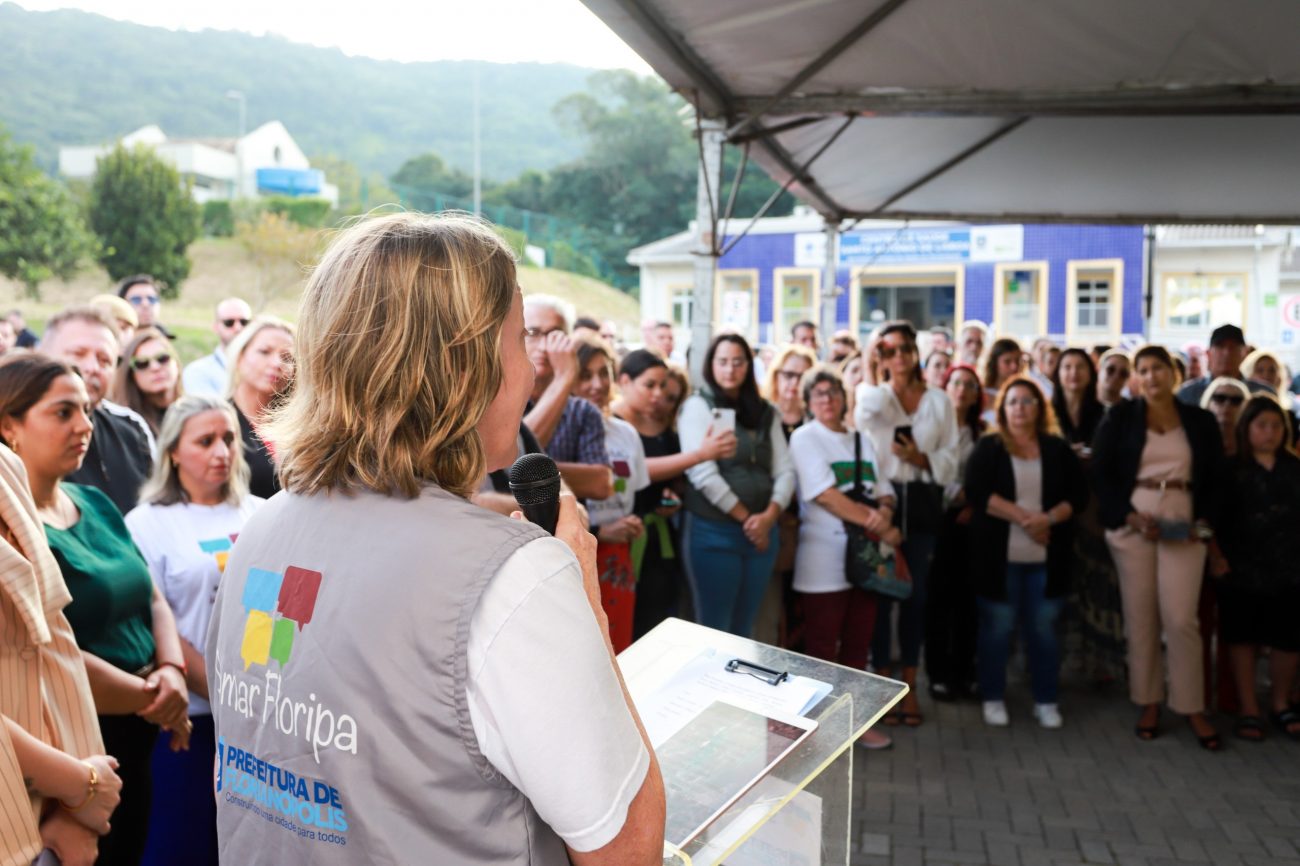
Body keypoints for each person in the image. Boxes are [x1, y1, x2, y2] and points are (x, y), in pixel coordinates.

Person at [206, 212, 665, 864]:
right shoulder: (510, 576)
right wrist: (585, 603)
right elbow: (628, 849)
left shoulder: (262, 530)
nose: (532, 374)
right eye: (518, 341)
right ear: (463, 366)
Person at [0, 353, 191, 864]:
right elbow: (45, 650)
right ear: (9, 426)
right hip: (63, 748)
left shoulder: (95, 502)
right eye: (63, 412)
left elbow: (150, 594)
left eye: (86, 410)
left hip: (138, 732)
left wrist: (172, 670)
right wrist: (155, 698)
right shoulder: (14, 531)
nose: (85, 426)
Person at [124, 396, 263, 865]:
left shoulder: (263, 513)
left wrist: (258, 701)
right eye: (205, 441)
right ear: (173, 452)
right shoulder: (146, 524)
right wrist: (226, 694)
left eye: (229, 439)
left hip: (263, 721)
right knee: (182, 846)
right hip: (191, 720)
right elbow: (153, 619)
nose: (222, 451)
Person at [1092, 345, 1225, 750]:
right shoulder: (1120, 417)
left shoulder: (1199, 420)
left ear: (1173, 373)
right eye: (1144, 370)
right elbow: (1101, 475)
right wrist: (1129, 516)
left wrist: (1204, 526)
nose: (1151, 376)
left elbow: (1216, 480)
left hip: (1184, 524)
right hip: (1135, 523)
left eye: (1158, 368)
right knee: (1141, 618)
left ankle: (1191, 705)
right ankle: (1148, 701)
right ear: (1137, 377)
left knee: (1181, 619)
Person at [0, 443, 123, 866]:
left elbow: (53, 643)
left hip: (41, 817)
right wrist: (78, 783)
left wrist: (80, 810)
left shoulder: (6, 466)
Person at [966, 378, 1086, 728]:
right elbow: (977, 492)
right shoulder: (989, 447)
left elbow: (1078, 496)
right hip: (999, 560)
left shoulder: (1057, 448)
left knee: (1044, 630)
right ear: (1002, 409)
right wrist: (1026, 519)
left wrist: (1047, 519)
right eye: (1013, 401)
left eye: (1027, 401)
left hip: (1047, 560)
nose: (1020, 408)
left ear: (1039, 408)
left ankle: (1046, 699)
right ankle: (993, 695)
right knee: (997, 629)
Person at [855, 321, 959, 727]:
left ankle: (911, 686)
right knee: (881, 594)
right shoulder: (876, 395)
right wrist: (870, 366)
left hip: (922, 500)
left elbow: (951, 455)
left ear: (916, 352)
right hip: (883, 500)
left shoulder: (938, 400)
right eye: (889, 350)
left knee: (916, 596)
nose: (898, 357)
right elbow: (863, 418)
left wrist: (920, 458)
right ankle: (883, 686)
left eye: (905, 349)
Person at [788, 365, 897, 749]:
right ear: (808, 401)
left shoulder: (861, 439)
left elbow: (884, 489)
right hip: (823, 557)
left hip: (864, 558)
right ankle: (816, 728)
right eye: (818, 393)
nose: (828, 399)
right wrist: (876, 523)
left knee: (857, 643)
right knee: (821, 646)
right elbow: (824, 494)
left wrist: (885, 512)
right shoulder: (805, 437)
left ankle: (854, 724)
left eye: (833, 392)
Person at [611, 350, 735, 638]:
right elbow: (634, 471)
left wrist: (674, 495)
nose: (657, 394)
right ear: (625, 381)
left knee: (658, 619)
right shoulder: (613, 424)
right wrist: (699, 455)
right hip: (621, 534)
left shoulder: (664, 425)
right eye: (649, 385)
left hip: (660, 536)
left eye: (662, 386)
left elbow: (671, 477)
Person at [679, 333, 795, 636]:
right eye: (723, 362)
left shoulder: (766, 411)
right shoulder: (697, 406)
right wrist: (748, 521)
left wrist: (768, 517)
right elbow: (702, 474)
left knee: (745, 626)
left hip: (763, 531)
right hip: (714, 531)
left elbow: (785, 469)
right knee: (715, 627)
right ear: (711, 365)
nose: (730, 369)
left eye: (738, 362)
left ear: (748, 365)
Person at [1216, 396, 1300, 741]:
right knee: (1243, 638)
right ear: (1246, 428)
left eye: (1276, 425)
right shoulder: (1229, 469)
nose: (1270, 432)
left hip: (1290, 568)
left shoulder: (1295, 468)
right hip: (1241, 567)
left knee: (1288, 638)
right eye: (1262, 425)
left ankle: (1280, 702)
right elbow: (1209, 520)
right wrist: (1215, 555)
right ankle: (1249, 707)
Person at [1052, 348, 1125, 685]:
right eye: (1066, 366)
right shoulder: (1047, 410)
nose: (1073, 373)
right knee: (1062, 588)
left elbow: (1114, 461)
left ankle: (1101, 663)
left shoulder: (1105, 414)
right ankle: (1059, 662)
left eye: (1080, 366)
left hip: (1095, 511)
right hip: (1056, 510)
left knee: (1098, 586)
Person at [573, 338, 649, 653]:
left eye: (603, 373)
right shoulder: (561, 434)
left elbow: (639, 494)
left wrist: (632, 523)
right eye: (586, 375)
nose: (597, 384)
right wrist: (600, 530)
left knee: (620, 649)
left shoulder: (626, 432)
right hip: (578, 557)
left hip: (620, 557)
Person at [41, 307, 154, 514]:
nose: (93, 367)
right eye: (78, 354)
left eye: (105, 360)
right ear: (42, 355)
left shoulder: (131, 429)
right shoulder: (14, 431)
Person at [925, 363, 984, 702]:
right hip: (938, 520)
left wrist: (973, 502)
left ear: (977, 395)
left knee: (967, 602)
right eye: (956, 383)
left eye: (969, 385)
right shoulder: (932, 429)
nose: (962, 390)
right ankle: (937, 674)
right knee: (938, 600)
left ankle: (964, 672)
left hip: (971, 523)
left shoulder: (982, 433)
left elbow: (990, 476)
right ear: (945, 388)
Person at [523, 294, 614, 501]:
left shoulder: (582, 411)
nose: (545, 345)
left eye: (555, 335)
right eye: (533, 333)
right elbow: (514, 456)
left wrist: (528, 472)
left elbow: (601, 484)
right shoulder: (495, 400)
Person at [759, 344, 818, 645]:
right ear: (776, 375)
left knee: (801, 606)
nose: (794, 382)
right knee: (768, 605)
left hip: (808, 525)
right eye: (789, 374)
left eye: (802, 376)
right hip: (770, 518)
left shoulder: (817, 420)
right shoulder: (763, 416)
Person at [226, 315, 295, 500]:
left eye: (287, 357)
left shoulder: (300, 424)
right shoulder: (218, 420)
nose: (277, 364)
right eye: (264, 352)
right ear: (240, 356)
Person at [111, 328, 183, 437]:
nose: (155, 367)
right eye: (142, 363)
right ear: (131, 375)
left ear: (176, 363)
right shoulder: (123, 425)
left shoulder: (195, 412)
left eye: (162, 358)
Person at [1177, 324, 1269, 406]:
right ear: (1208, 353)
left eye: (1233, 347)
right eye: (1220, 346)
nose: (1227, 352)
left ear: (1245, 353)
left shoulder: (1262, 394)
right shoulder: (1188, 394)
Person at [182, 297, 253, 398]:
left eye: (244, 322)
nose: (238, 328)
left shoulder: (265, 368)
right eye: (229, 323)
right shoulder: (197, 372)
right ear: (216, 327)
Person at [1201, 377, 1251, 457]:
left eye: (1236, 400)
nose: (1227, 404)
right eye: (1220, 398)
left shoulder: (1252, 442)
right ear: (1208, 402)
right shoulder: (1195, 439)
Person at [116, 275, 175, 339]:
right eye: (136, 300)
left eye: (151, 299)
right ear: (122, 304)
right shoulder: (111, 341)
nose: (146, 304)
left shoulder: (164, 339)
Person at [982, 337, 1024, 418]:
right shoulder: (981, 394)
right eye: (1007, 362)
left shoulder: (1025, 393)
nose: (1014, 367)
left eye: (1017, 361)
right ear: (994, 363)